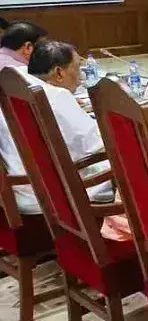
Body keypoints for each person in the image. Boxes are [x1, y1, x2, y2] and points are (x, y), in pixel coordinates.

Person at [0, 41, 114, 216]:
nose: (81, 76)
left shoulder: (16, 84)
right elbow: (97, 145)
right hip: (50, 194)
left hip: (21, 186)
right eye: (77, 68)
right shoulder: (56, 97)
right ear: (59, 73)